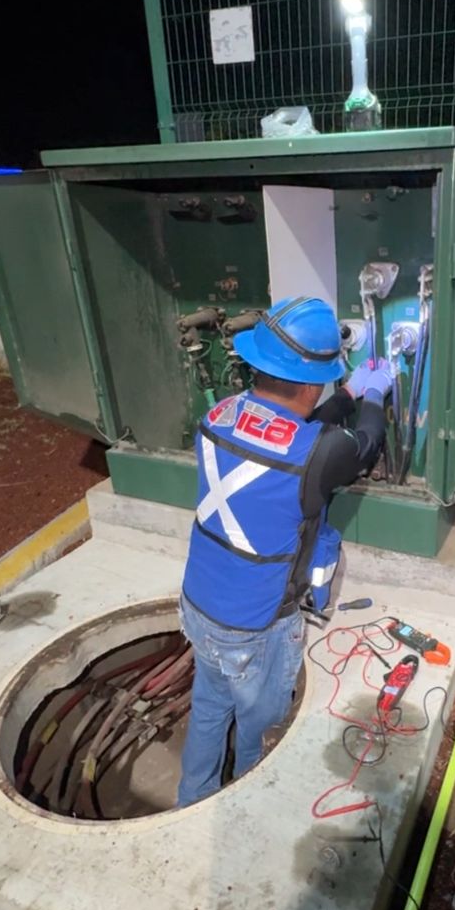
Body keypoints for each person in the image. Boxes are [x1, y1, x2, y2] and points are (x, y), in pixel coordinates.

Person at [176, 295, 391, 806]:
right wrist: (373, 395)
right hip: (257, 627)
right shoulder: (318, 451)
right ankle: (244, 810)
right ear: (313, 385)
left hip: (198, 605)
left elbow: (293, 432)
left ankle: (193, 800)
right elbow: (363, 444)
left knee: (210, 708)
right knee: (262, 728)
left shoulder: (220, 413)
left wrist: (347, 394)